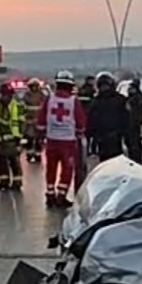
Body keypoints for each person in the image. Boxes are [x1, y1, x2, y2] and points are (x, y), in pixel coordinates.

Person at [36, 70, 86, 208]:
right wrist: (80, 131)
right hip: (68, 142)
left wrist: (40, 134)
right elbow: (80, 121)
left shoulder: (50, 99)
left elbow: (41, 119)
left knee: (51, 168)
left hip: (51, 140)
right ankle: (61, 195)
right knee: (67, 169)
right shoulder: (73, 101)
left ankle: (50, 194)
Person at [0, 82, 24, 191]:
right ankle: (4, 181)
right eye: (3, 94)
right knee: (1, 161)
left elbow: (22, 122)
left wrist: (20, 137)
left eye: (7, 95)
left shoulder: (17, 106)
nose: (5, 97)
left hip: (12, 139)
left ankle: (17, 182)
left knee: (14, 161)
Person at [86, 71, 129, 161]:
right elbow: (91, 119)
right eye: (102, 86)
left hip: (116, 135)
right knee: (104, 161)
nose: (104, 88)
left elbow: (126, 117)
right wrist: (90, 134)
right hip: (101, 136)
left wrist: (125, 134)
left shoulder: (120, 99)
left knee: (117, 160)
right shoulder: (96, 101)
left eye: (106, 86)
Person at [22, 78, 46, 164]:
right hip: (29, 121)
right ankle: (29, 155)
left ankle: (37, 155)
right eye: (33, 86)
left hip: (39, 121)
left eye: (36, 86)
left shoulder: (42, 95)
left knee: (39, 140)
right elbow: (23, 107)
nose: (34, 88)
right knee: (30, 139)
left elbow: (45, 107)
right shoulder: (27, 95)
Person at [125, 81, 142, 162]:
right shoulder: (131, 98)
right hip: (130, 123)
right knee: (131, 141)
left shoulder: (137, 98)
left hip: (134, 123)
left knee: (134, 142)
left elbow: (135, 110)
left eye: (131, 89)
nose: (129, 90)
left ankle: (136, 158)